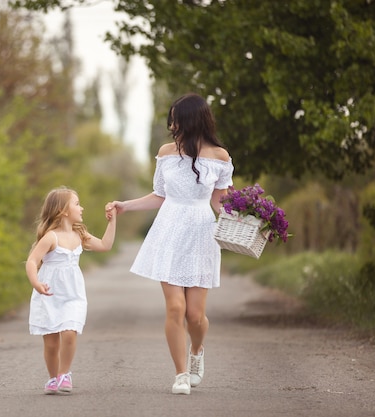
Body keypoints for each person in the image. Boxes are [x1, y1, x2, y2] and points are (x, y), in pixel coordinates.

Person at [105, 93, 233, 395]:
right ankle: (180, 374)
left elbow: (221, 202)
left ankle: (197, 350)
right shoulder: (166, 153)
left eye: (176, 118)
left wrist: (251, 219)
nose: (172, 124)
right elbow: (159, 195)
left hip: (202, 233)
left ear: (192, 119)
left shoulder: (220, 157)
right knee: (175, 308)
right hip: (169, 231)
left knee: (195, 316)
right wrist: (126, 206)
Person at [26, 186, 117, 395]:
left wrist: (112, 222)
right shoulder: (51, 237)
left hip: (73, 296)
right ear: (63, 210)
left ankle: (64, 374)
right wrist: (36, 283)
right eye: (77, 203)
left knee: (69, 332)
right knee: (50, 344)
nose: (81, 207)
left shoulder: (80, 234)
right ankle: (52, 378)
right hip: (49, 295)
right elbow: (32, 261)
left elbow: (105, 245)